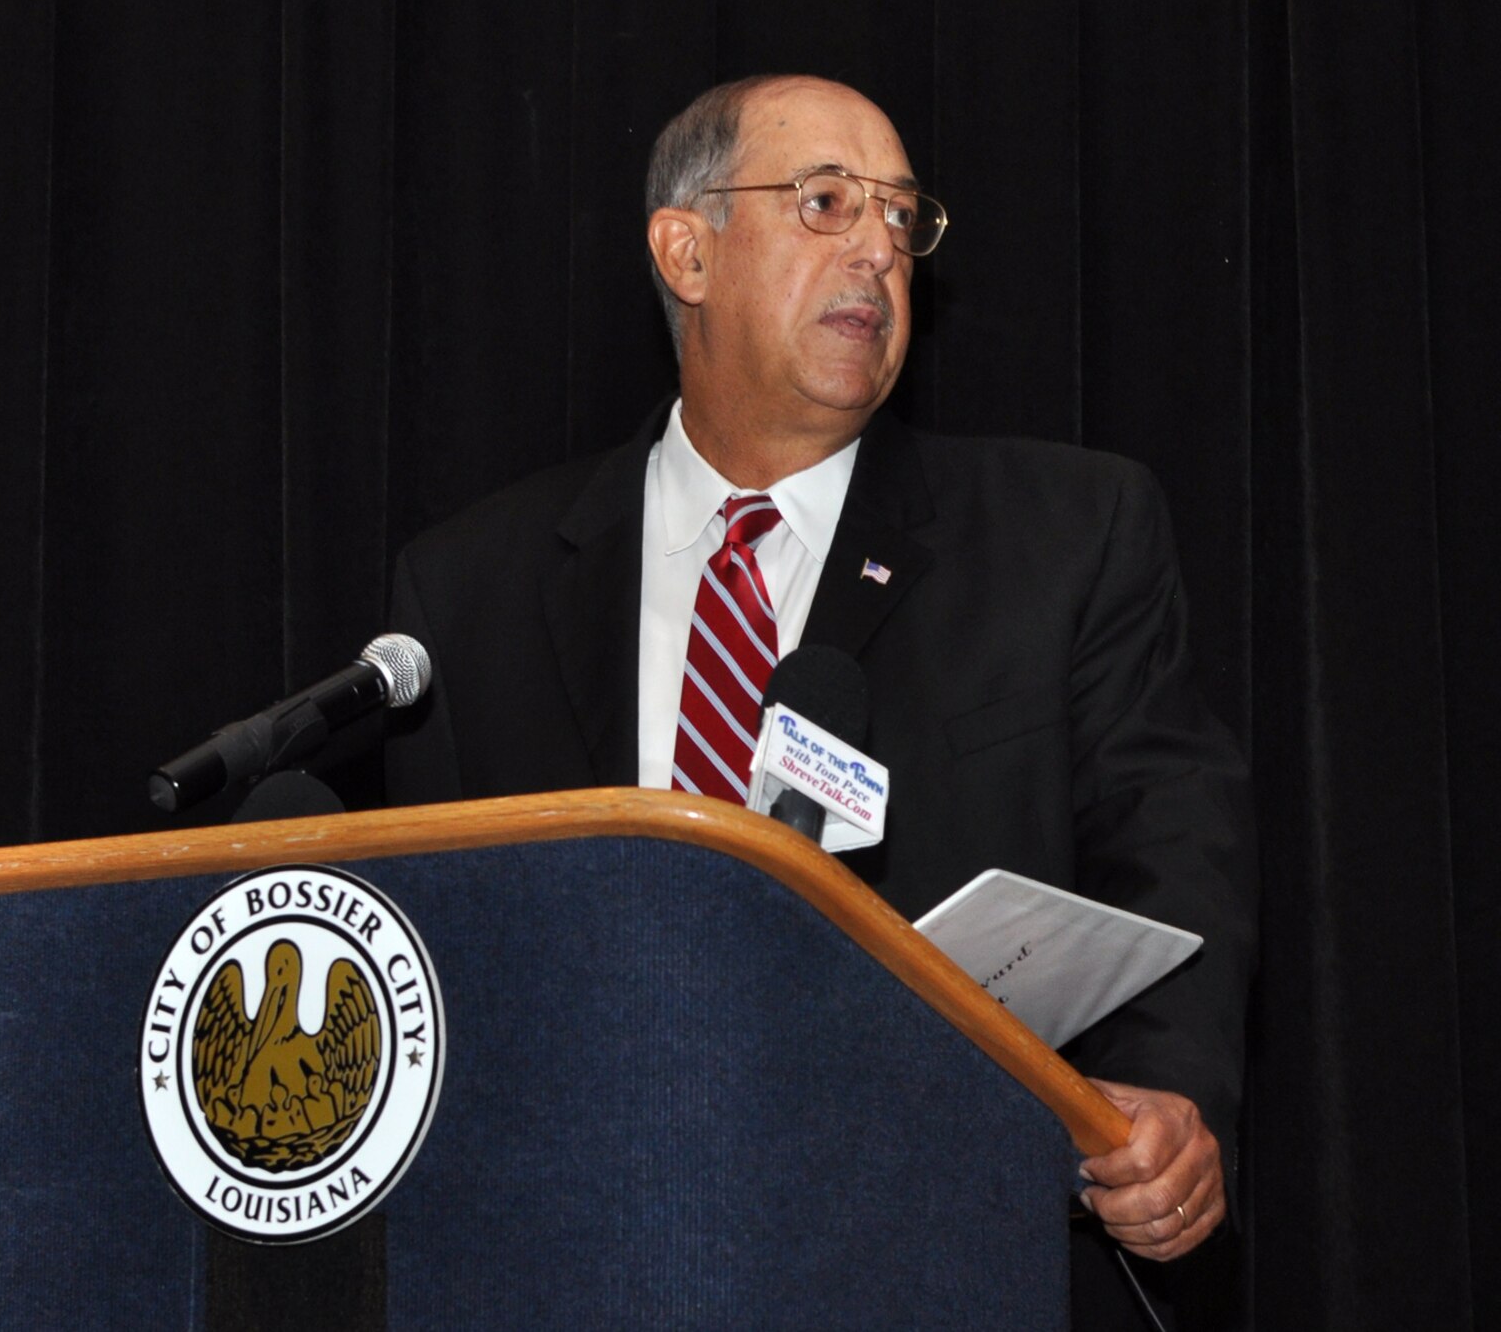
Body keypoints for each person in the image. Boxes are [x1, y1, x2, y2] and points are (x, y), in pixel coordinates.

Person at [384, 74, 1256, 1325]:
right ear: (685, 251)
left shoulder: (1065, 536)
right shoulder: (473, 587)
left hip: (948, 1255)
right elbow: (436, 957)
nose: (877, 251)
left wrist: (1166, 1094)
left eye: (900, 217)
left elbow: (1170, 849)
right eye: (826, 203)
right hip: (591, 1264)